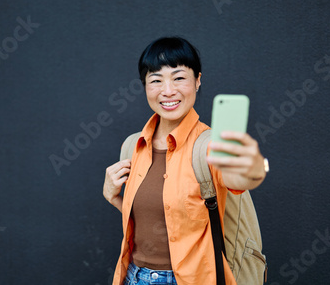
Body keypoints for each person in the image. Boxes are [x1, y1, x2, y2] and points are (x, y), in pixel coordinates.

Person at [103, 37, 267, 285]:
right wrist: (116, 198)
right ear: (145, 86)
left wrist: (253, 165)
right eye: (156, 80)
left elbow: (238, 179)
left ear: (198, 80)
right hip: (132, 276)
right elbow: (160, 217)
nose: (167, 91)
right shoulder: (133, 146)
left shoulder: (209, 146)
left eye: (179, 77)